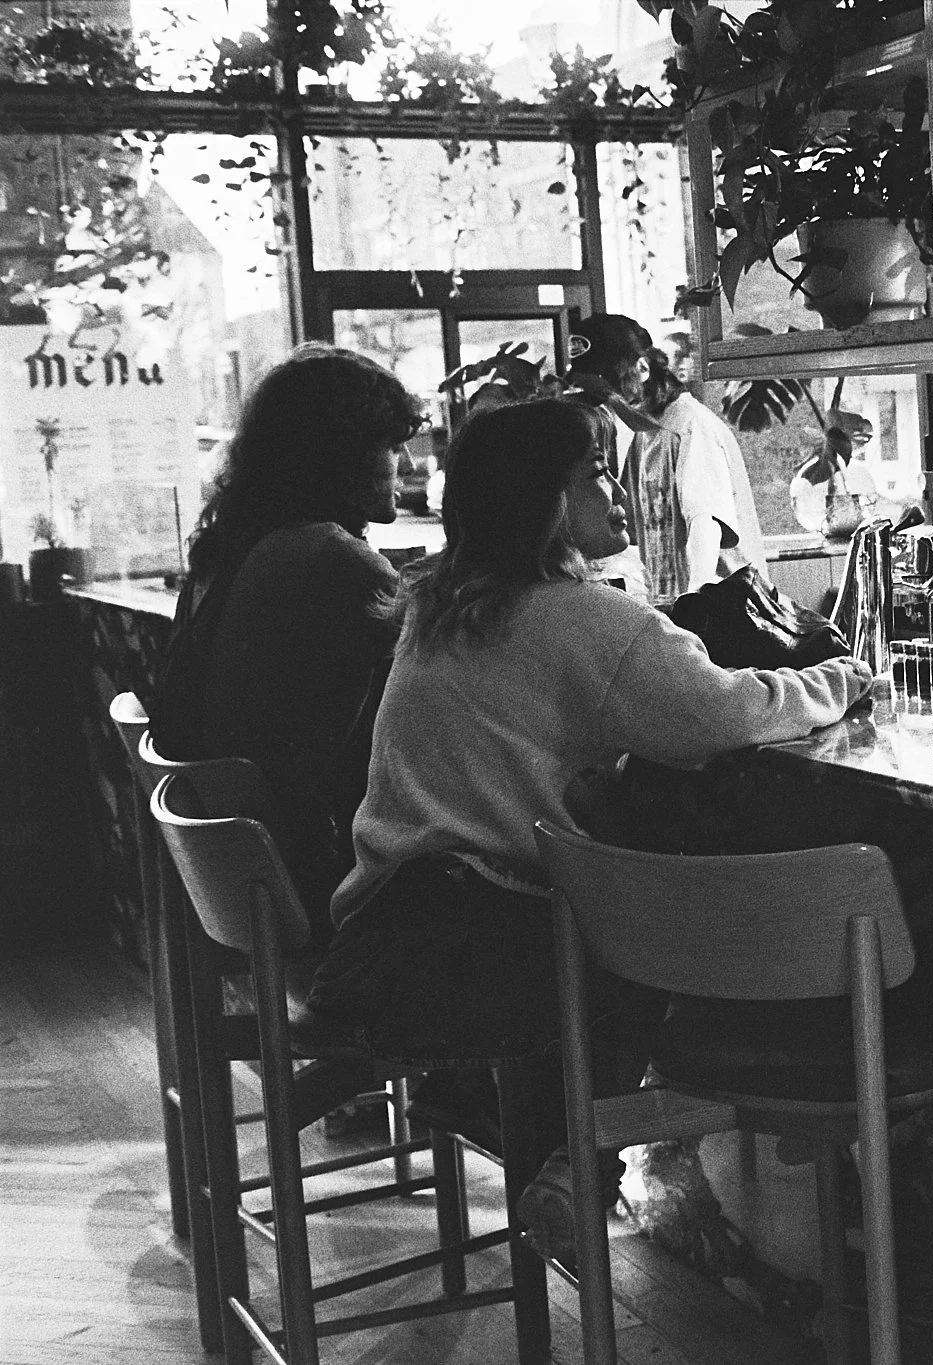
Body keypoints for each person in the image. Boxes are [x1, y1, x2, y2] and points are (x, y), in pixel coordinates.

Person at [304, 397, 871, 1249]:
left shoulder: (443, 602)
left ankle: (560, 1147)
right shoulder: (580, 617)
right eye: (595, 472)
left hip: (383, 932)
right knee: (640, 903)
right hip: (473, 952)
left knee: (604, 864)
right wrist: (844, 677)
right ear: (547, 500)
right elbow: (720, 714)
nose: (615, 488)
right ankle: (580, 1154)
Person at [151, 342, 423, 922]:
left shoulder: (227, 547)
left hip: (243, 859)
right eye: (391, 442)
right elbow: (442, 684)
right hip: (319, 866)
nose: (408, 462)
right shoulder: (332, 558)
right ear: (341, 454)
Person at [562, 312, 688, 602]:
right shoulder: (604, 421)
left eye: (605, 385)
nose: (594, 397)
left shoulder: (674, 426)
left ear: (641, 368)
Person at [642, 346, 768, 587]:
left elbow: (705, 521)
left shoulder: (692, 425)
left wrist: (694, 598)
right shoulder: (646, 431)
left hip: (722, 600)